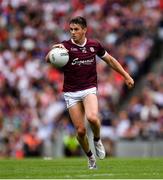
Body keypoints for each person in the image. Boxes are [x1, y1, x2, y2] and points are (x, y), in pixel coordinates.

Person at [45, 16, 134, 169]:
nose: (73, 32)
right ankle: (91, 158)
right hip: (71, 92)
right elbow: (48, 59)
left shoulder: (94, 45)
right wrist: (54, 50)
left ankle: (97, 139)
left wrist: (126, 75)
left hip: (89, 88)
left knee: (92, 117)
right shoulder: (65, 46)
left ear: (84, 30)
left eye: (76, 29)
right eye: (71, 29)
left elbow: (111, 60)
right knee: (80, 131)